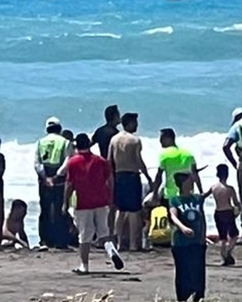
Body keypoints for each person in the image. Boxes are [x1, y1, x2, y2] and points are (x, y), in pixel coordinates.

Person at [63, 133, 124, 274]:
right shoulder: (100, 160)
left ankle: (84, 265)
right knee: (104, 232)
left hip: (83, 202)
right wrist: (110, 196)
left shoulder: (73, 162)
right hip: (101, 200)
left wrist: (65, 203)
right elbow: (110, 179)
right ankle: (112, 252)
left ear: (76, 145)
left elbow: (69, 184)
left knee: (84, 236)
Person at [109, 112, 153, 251]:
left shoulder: (114, 139)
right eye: (135, 123)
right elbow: (138, 160)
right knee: (134, 211)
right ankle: (134, 244)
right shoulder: (135, 140)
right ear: (129, 123)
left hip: (118, 175)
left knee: (120, 210)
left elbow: (109, 160)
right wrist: (147, 176)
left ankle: (119, 243)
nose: (137, 125)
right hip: (132, 176)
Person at [169, 172, 208, 302]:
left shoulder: (197, 199)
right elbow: (173, 216)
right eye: (189, 182)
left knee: (198, 271)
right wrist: (183, 228)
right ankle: (182, 300)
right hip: (180, 243)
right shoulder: (175, 200)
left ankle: (198, 299)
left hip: (197, 242)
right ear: (182, 184)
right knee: (183, 271)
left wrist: (204, 235)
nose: (192, 184)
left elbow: (202, 218)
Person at [34, 117, 72, 249]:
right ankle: (60, 240)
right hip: (59, 179)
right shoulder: (65, 142)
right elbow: (67, 162)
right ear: (59, 129)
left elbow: (37, 163)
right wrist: (56, 177)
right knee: (59, 209)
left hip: (44, 178)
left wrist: (45, 178)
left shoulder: (40, 142)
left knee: (44, 209)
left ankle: (44, 240)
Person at [152, 128, 202, 204]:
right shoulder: (188, 154)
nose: (160, 141)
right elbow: (195, 175)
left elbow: (159, 177)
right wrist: (201, 192)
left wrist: (155, 194)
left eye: (162, 138)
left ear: (169, 139)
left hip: (170, 196)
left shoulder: (164, 154)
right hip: (187, 195)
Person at [206, 164, 241, 265]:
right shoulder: (230, 189)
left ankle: (223, 257)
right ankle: (228, 252)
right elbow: (236, 203)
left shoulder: (213, 187)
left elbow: (203, 196)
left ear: (217, 174)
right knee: (234, 235)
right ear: (227, 174)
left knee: (223, 237)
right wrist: (240, 208)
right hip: (228, 212)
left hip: (218, 213)